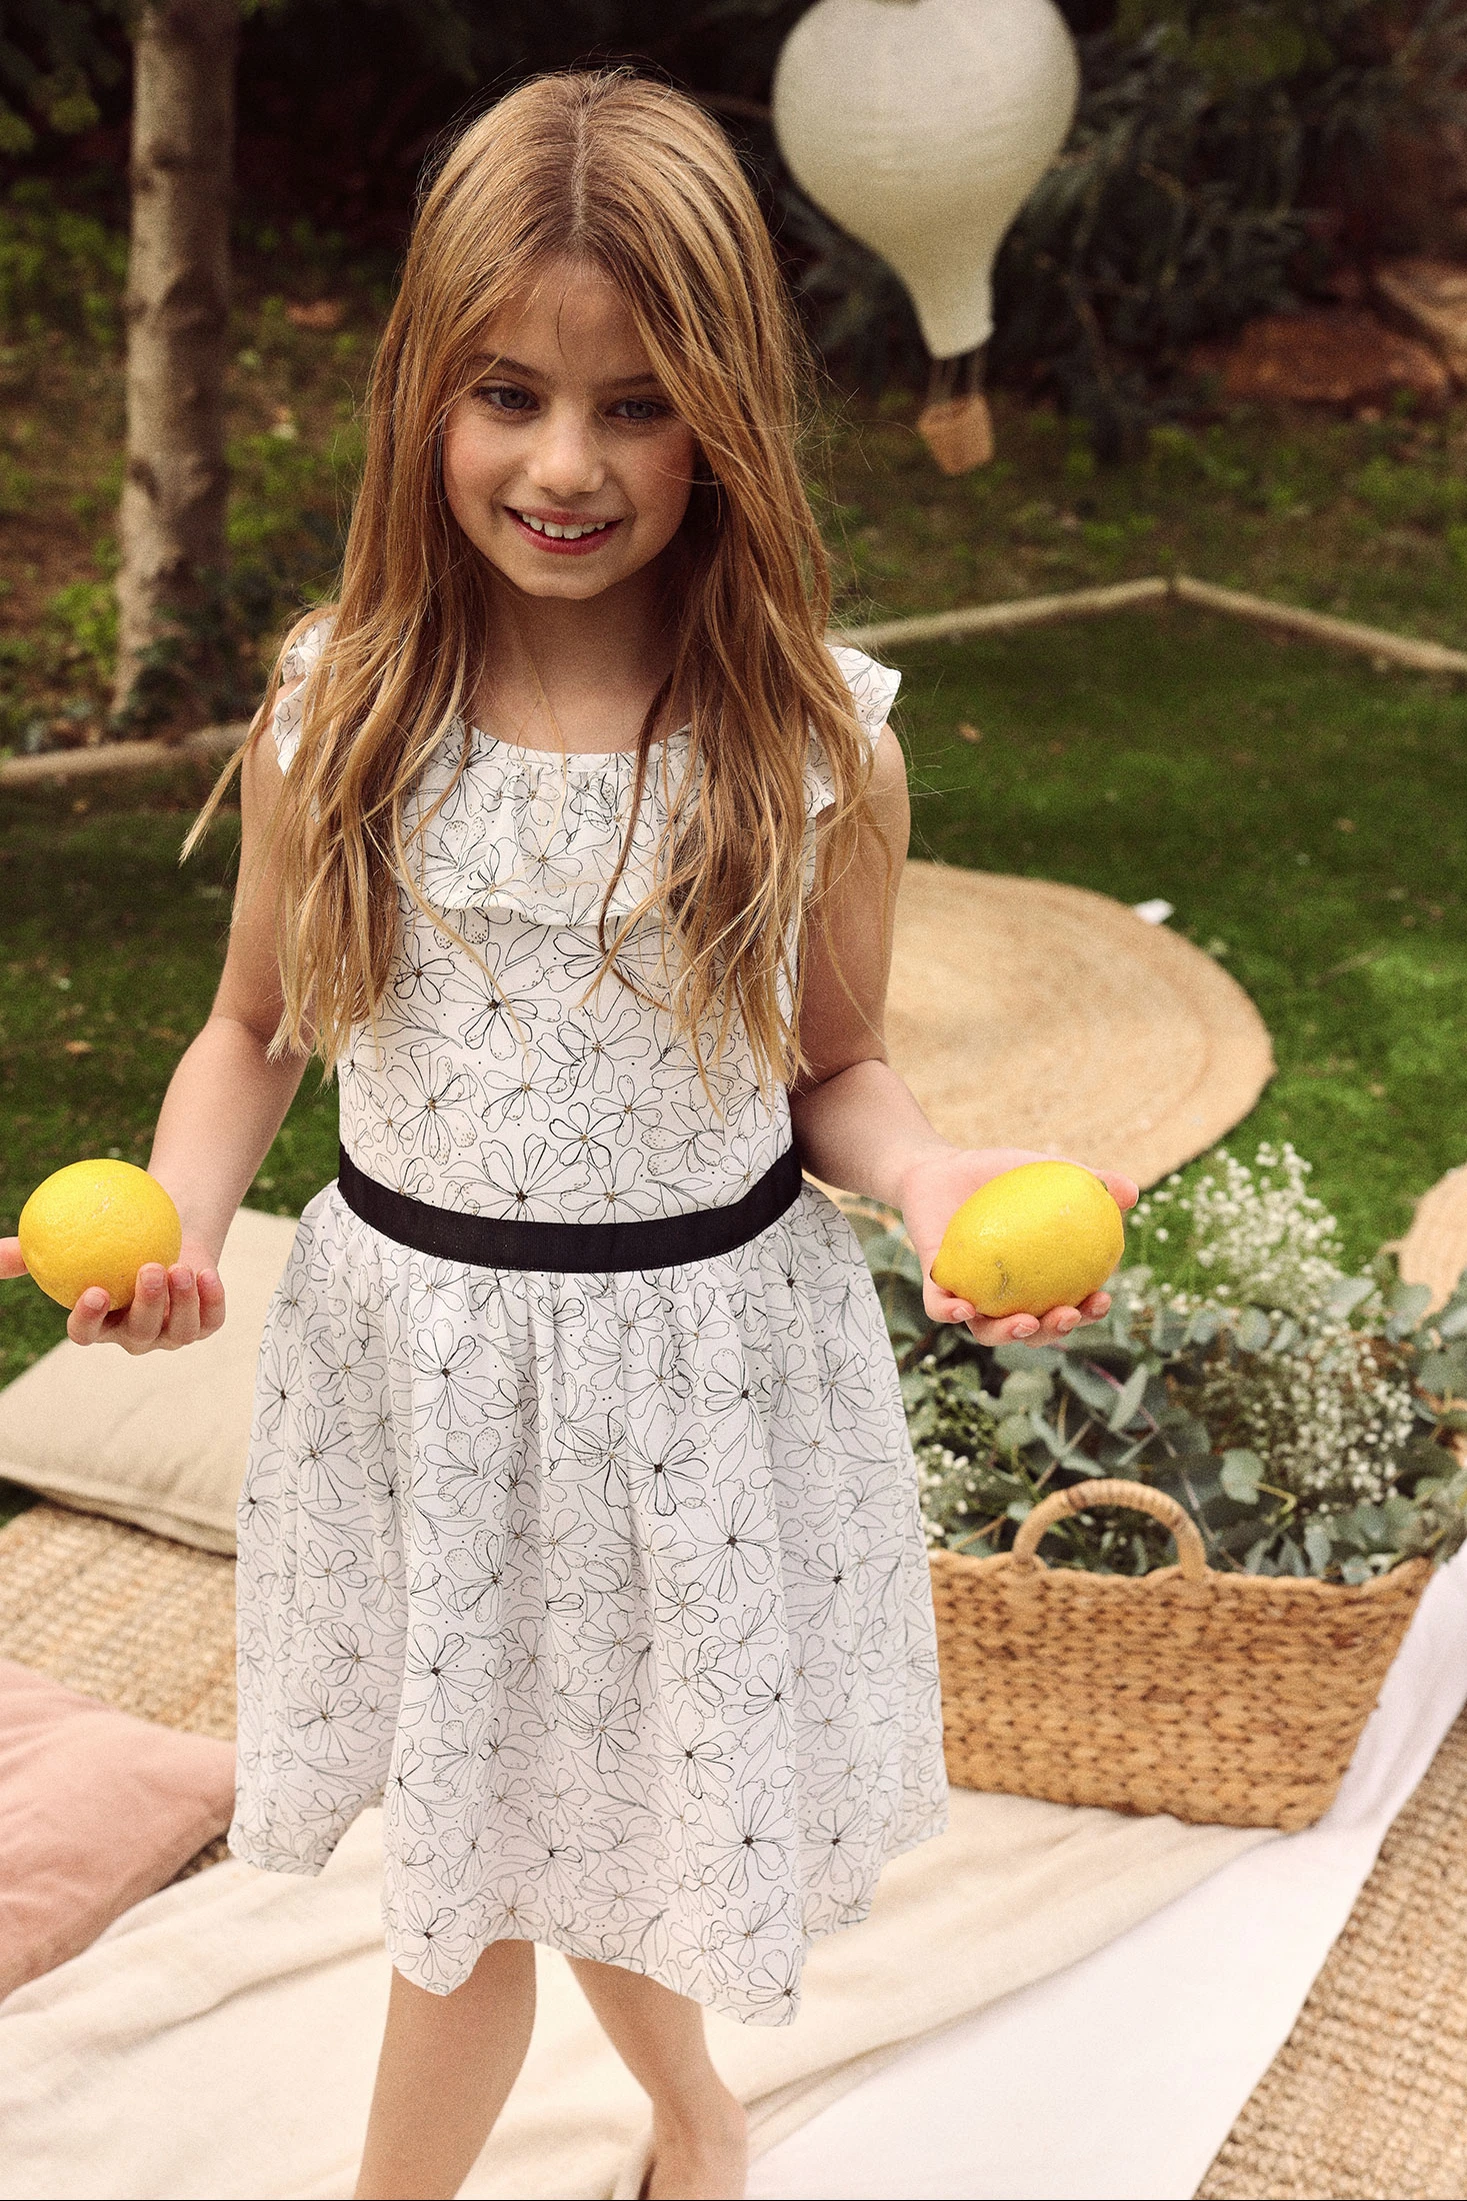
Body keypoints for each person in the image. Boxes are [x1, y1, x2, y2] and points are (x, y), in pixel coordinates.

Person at [0, 73, 1135, 2201]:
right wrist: (181, 1226)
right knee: (504, 1851)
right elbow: (253, 1024)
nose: (562, 465)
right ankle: (692, 2118)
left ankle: (674, 2117)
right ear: (422, 394)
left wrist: (930, 1178)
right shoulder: (342, 709)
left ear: (726, 419)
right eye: (507, 395)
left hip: (684, 1389)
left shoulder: (810, 739)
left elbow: (835, 1068)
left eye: (635, 407)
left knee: (562, 1830)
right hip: (427, 1389)